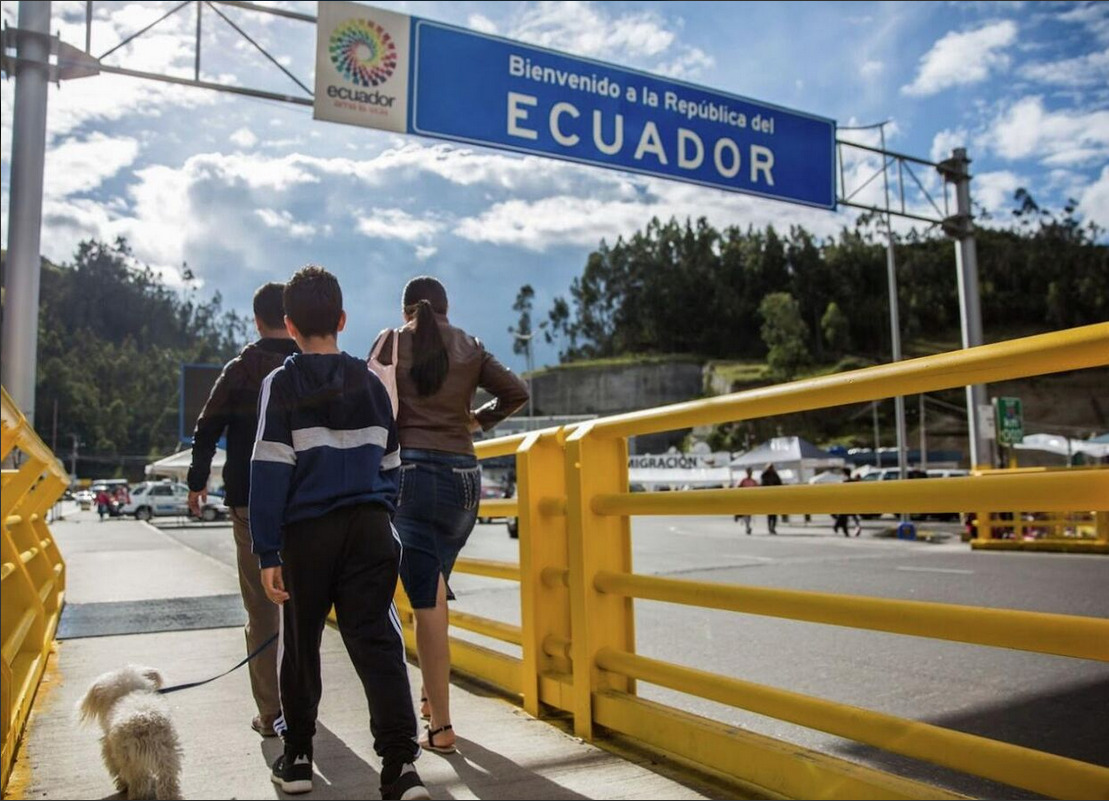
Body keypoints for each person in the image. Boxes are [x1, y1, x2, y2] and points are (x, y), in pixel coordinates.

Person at [251, 266, 427, 800]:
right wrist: (380, 513)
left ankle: (298, 758)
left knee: (301, 645)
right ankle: (400, 766)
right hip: (370, 529)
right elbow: (393, 463)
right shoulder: (371, 383)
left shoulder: (281, 383)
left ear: (289, 326)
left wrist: (267, 550)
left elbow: (269, 469)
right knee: (378, 642)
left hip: (306, 534)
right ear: (343, 320)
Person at [371, 275, 528, 755]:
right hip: (464, 478)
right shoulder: (471, 346)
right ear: (446, 308)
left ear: (405, 310)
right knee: (434, 588)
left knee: (426, 599)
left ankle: (441, 727)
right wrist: (478, 420)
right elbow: (516, 391)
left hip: (410, 476)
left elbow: (369, 401)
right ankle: (429, 698)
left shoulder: (391, 342)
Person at [186, 282, 298, 739]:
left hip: (250, 501)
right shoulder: (309, 365)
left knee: (262, 607)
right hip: (305, 501)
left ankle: (272, 714)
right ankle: (302, 706)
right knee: (303, 605)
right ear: (291, 317)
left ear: (257, 320)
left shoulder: (240, 369)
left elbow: (206, 428)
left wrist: (197, 483)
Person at [733, 467, 759, 534]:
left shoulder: (753, 481)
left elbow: (758, 489)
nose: (750, 473)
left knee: (749, 514)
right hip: (744, 500)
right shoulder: (743, 480)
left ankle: (747, 526)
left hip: (751, 500)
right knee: (746, 514)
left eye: (750, 472)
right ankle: (747, 527)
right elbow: (737, 488)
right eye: (748, 472)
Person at [760, 463, 782, 534]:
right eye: (770, 467)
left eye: (771, 467)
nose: (771, 469)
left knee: (774, 514)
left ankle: (773, 527)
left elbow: (779, 484)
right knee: (769, 514)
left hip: (775, 497)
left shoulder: (775, 475)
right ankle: (770, 527)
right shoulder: (764, 475)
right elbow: (763, 485)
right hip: (768, 497)